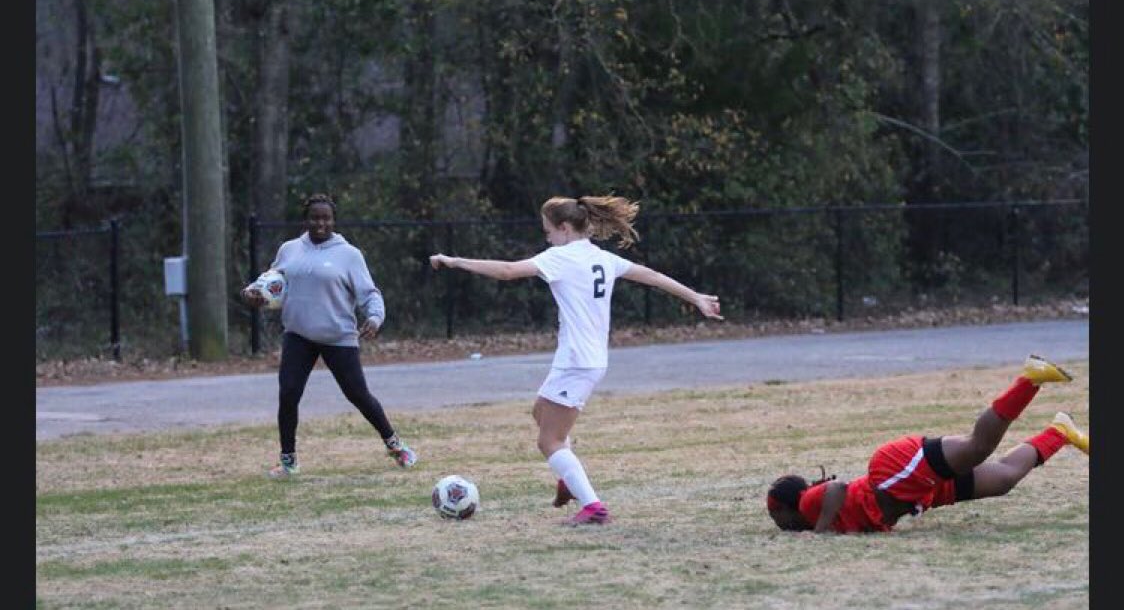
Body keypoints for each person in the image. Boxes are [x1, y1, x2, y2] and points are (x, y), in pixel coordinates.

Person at [429, 194, 724, 525]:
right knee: (541, 411)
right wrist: (695, 296)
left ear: (565, 228)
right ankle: (568, 480)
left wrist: (455, 261)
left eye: (548, 232)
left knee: (549, 440)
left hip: (578, 362)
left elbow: (508, 271)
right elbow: (653, 276)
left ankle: (593, 507)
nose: (547, 239)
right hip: (582, 358)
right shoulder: (602, 258)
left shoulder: (562, 257)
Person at [765, 355, 1088, 533]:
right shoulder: (813, 515)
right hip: (917, 492)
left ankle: (1029, 379)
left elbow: (837, 488)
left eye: (775, 519)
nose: (778, 526)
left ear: (784, 508)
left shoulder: (808, 504)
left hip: (897, 473)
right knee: (1003, 478)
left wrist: (821, 532)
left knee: (978, 447)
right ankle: (1060, 431)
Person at [241, 193, 418, 479]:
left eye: (326, 218)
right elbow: (269, 283)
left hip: (338, 337)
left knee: (358, 395)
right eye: (314, 218)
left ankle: (396, 446)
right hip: (298, 335)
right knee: (288, 393)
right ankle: (288, 461)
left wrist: (374, 318)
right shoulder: (289, 249)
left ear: (333, 221)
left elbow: (370, 294)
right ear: (306, 219)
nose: (320, 223)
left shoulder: (349, 254)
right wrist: (250, 294)